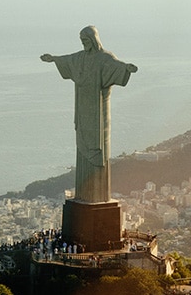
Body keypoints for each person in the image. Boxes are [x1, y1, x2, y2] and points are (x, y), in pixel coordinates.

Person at [41, 26, 138, 203]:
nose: (84, 44)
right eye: (82, 41)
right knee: (82, 144)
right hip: (83, 110)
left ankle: (98, 195)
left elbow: (118, 67)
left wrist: (127, 68)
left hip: (98, 112)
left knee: (99, 146)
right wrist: (53, 59)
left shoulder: (105, 58)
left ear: (94, 40)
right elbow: (67, 60)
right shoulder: (80, 58)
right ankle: (84, 194)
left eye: (86, 40)